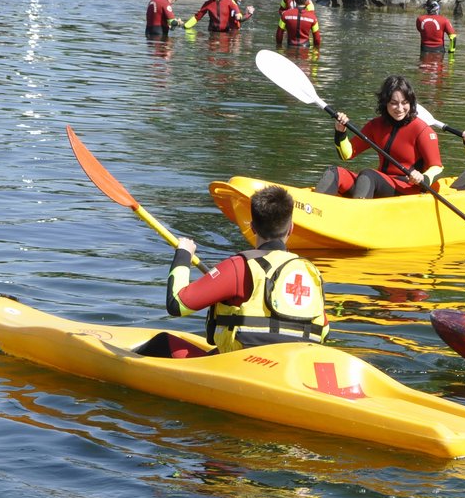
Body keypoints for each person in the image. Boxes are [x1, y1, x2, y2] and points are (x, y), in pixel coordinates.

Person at [164, 184, 329, 352]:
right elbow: (324, 332)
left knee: (161, 343)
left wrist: (183, 254)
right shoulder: (310, 273)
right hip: (295, 367)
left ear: (252, 227)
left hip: (244, 368)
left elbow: (177, 304)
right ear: (291, 228)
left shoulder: (239, 267)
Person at [315, 75, 443, 199]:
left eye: (405, 103)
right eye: (394, 103)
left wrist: (423, 178)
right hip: (378, 183)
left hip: (408, 188)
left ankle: (358, 215)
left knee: (368, 175)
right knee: (335, 173)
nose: (400, 108)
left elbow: (437, 167)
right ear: (385, 103)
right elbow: (347, 154)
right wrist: (340, 132)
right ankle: (313, 209)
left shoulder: (422, 130)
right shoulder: (376, 125)